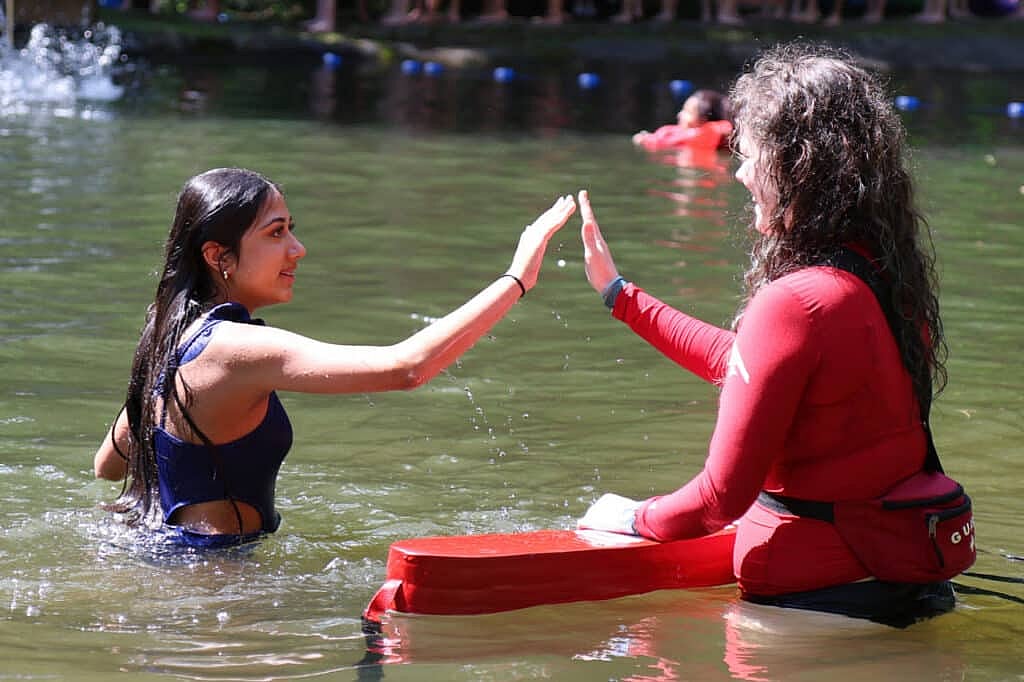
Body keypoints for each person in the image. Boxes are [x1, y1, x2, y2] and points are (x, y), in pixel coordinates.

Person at [577, 42, 956, 627]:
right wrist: (620, 296)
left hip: (807, 619)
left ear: (796, 166)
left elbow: (717, 500)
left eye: (750, 155)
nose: (741, 172)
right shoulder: (884, 281)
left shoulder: (795, 301)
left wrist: (629, 517)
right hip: (907, 589)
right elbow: (751, 362)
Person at [93, 167, 576, 548]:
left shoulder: (168, 338)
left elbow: (108, 466)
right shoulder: (236, 348)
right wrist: (516, 279)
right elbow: (405, 368)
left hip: (158, 557)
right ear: (219, 255)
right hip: (214, 583)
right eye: (276, 233)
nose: (297, 249)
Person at [632, 89, 733, 153]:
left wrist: (645, 139)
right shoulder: (673, 132)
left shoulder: (714, 132)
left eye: (687, 112)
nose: (679, 115)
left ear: (703, 119)